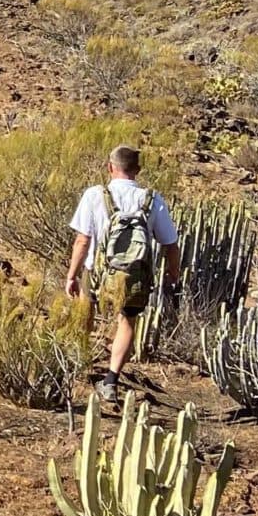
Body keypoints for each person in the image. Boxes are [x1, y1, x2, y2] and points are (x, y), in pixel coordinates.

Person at [63, 144, 182, 398]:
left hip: (97, 270)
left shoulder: (95, 194)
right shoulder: (152, 199)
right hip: (134, 275)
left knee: (86, 309)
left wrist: (72, 274)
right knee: (127, 321)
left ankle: (77, 366)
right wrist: (174, 273)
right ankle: (111, 379)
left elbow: (82, 240)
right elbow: (170, 243)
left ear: (110, 167)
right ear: (137, 170)